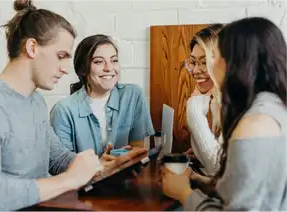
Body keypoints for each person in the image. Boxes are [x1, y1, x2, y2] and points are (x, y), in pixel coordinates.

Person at [0, 1, 104, 211]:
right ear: (32, 48)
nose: (65, 69)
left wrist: (101, 168)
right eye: (61, 56)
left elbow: (57, 158)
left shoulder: (36, 100)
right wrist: (68, 180)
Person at [161, 17, 287, 211]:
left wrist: (184, 193)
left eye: (215, 57)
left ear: (237, 62)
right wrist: (203, 180)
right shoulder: (271, 106)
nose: (208, 66)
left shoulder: (255, 123)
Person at [50, 34, 154, 160]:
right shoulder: (63, 110)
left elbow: (138, 150)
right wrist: (100, 165)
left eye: (114, 60)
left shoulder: (133, 95)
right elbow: (62, 165)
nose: (109, 68)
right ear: (83, 69)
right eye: (99, 62)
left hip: (127, 177)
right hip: (87, 180)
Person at [184, 24, 224, 177]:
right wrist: (200, 152)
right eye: (193, 62)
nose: (195, 70)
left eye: (204, 62)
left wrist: (194, 107)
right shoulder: (216, 100)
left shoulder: (239, 102)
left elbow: (217, 168)